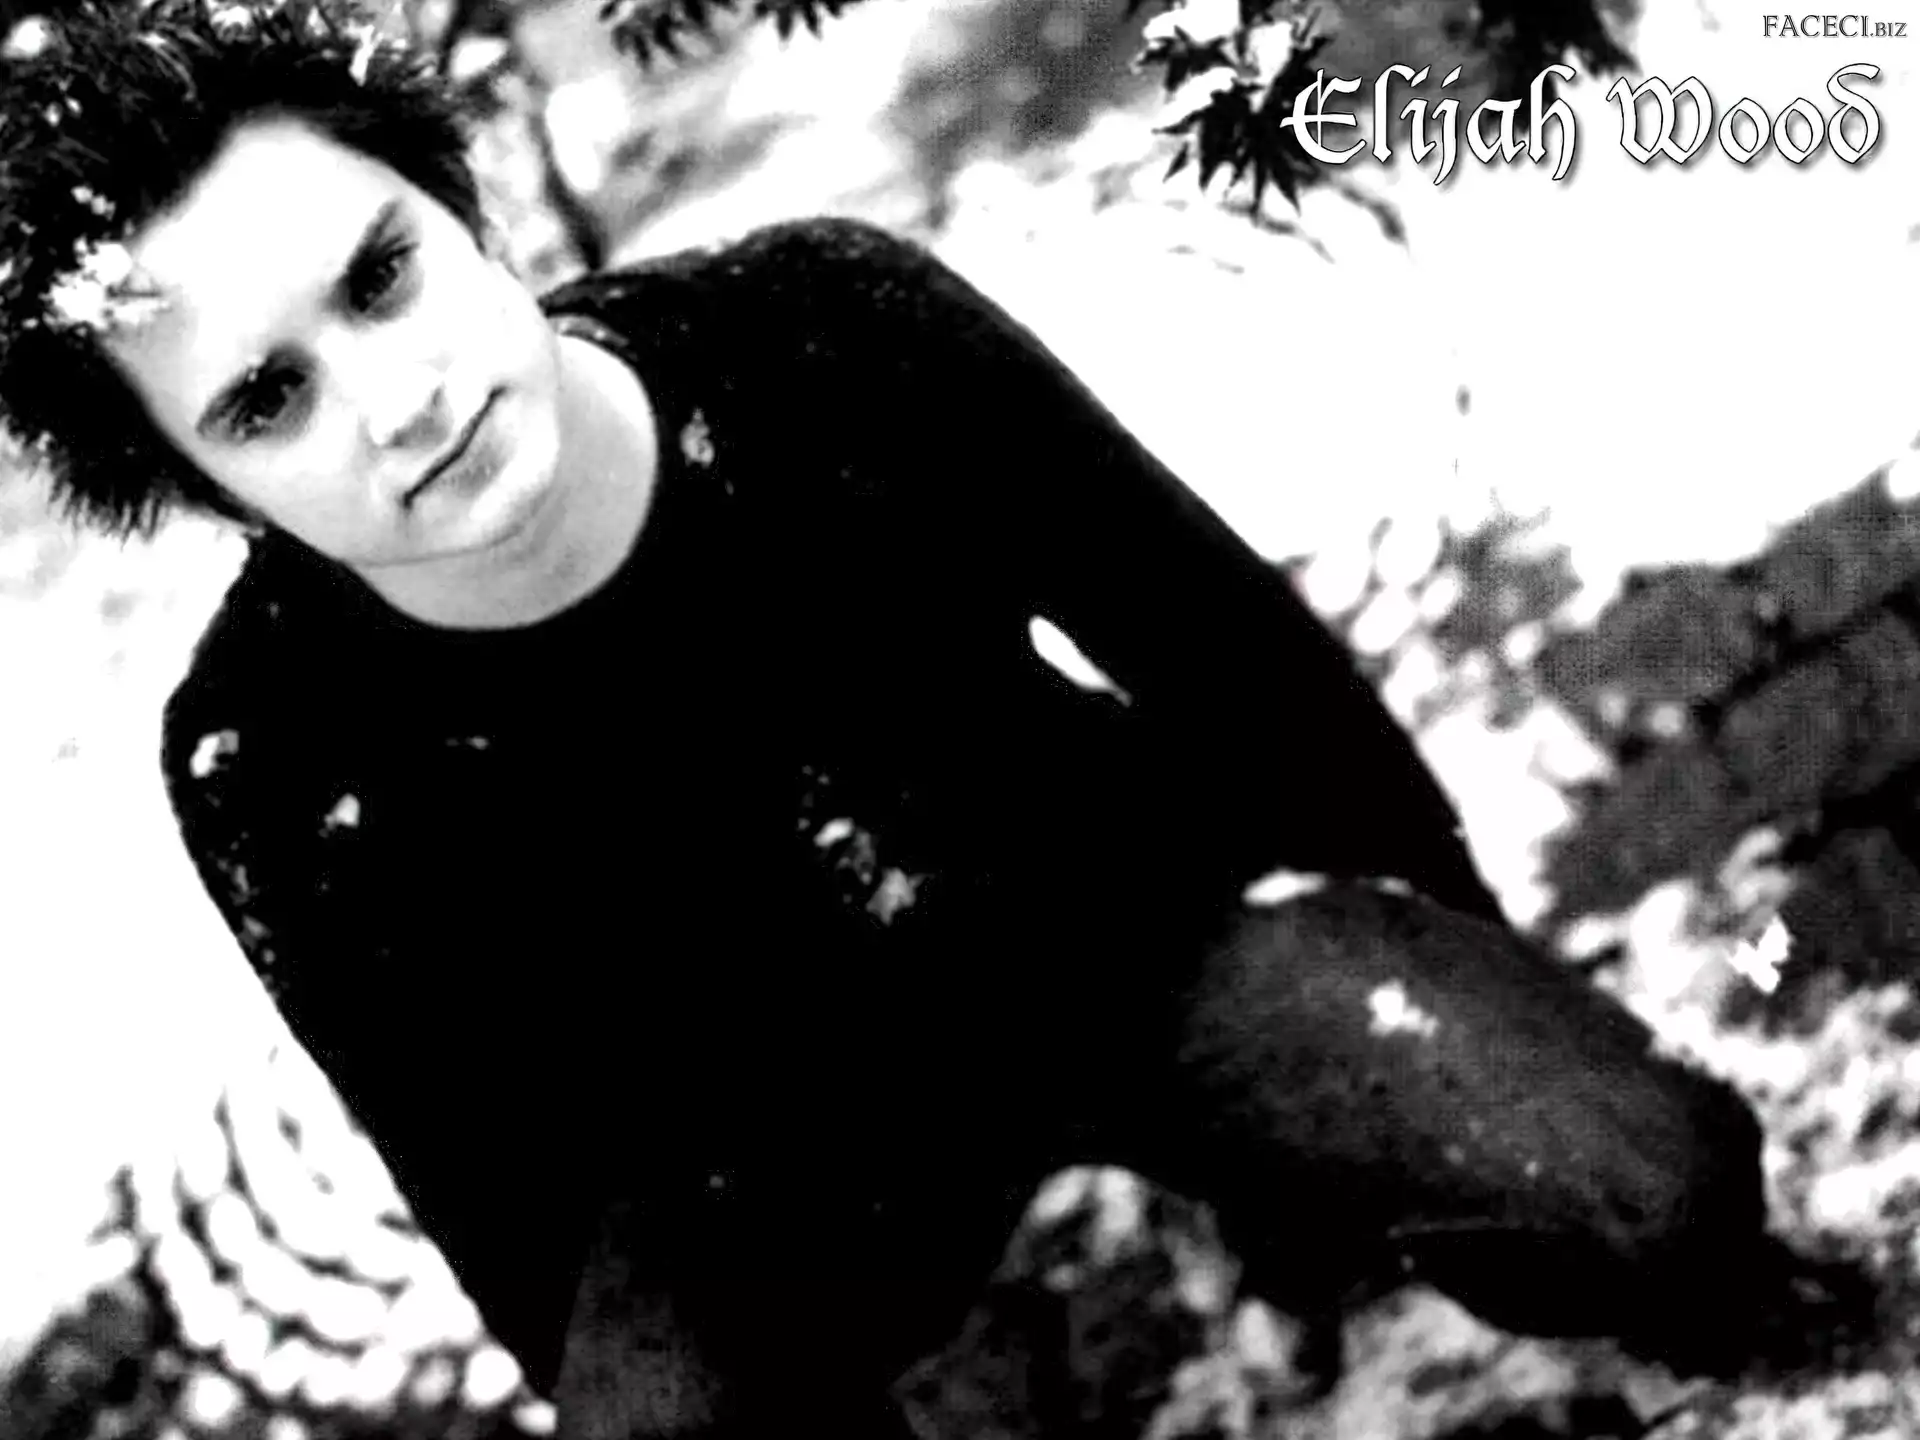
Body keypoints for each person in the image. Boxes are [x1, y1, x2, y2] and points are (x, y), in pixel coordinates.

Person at [0, 1, 1769, 1434]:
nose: (391, 402)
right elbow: (510, 1216)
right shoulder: (271, 757)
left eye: (381, 275)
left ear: (465, 209)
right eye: (266, 400)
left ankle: (1300, 1197)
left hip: (1125, 936)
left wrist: (1461, 989)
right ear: (205, 485)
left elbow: (1242, 667)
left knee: (1641, 1187)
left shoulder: (822, 333)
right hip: (758, 1176)